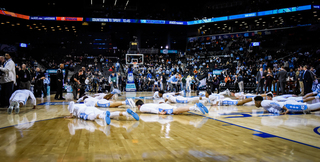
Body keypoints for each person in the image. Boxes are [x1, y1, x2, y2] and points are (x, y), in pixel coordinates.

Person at [65, 101, 139, 125]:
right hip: (92, 108)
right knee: (109, 114)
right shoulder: (81, 103)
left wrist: (70, 115)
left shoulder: (74, 106)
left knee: (91, 117)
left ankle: (103, 117)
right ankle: (125, 113)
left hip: (84, 111)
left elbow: (71, 103)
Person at [253, 96, 320, 115]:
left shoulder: (263, 102)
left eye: (255, 102)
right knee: (310, 109)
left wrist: (286, 109)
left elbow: (275, 103)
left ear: (258, 102)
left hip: (288, 106)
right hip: (287, 105)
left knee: (309, 107)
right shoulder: (264, 104)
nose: (255, 104)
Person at [135, 100, 208, 115]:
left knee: (176, 111)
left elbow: (150, 110)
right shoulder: (147, 104)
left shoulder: (142, 108)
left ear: (138, 106)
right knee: (177, 111)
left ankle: (194, 107)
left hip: (161, 108)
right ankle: (194, 106)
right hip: (162, 105)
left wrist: (158, 112)